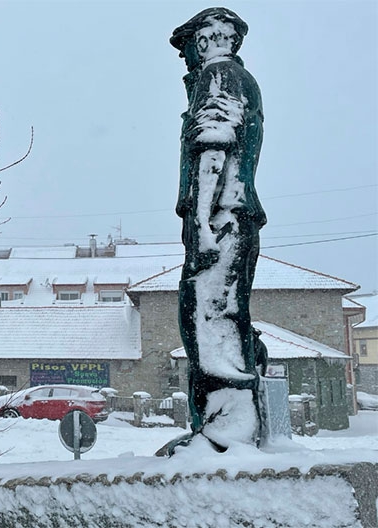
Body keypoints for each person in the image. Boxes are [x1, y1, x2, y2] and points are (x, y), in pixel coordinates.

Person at [166, 7, 268, 453]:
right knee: (222, 315)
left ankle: (225, 434)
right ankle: (228, 426)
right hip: (234, 215)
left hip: (221, 217)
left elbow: (214, 148)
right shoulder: (238, 79)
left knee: (207, 317)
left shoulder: (218, 77)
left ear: (206, 41)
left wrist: (203, 224)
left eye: (188, 49)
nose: (186, 61)